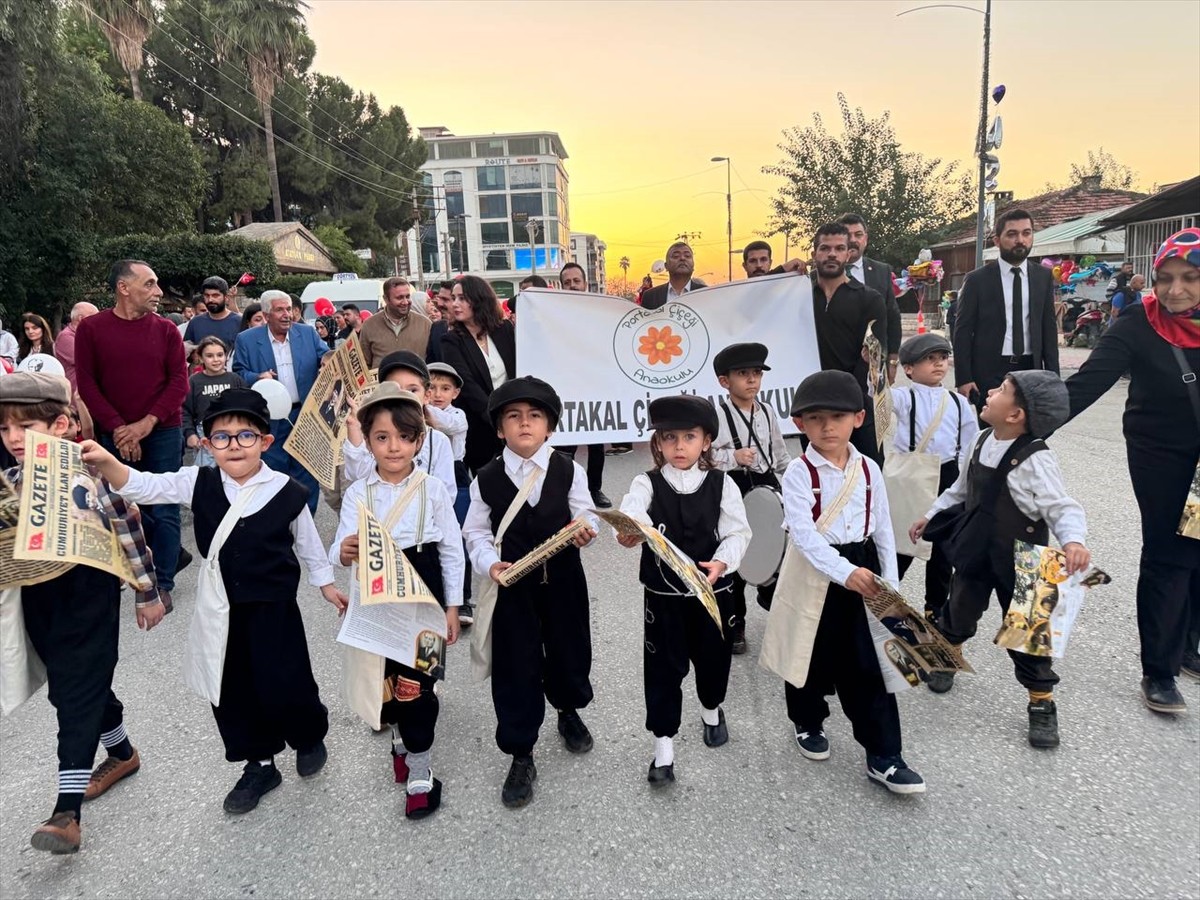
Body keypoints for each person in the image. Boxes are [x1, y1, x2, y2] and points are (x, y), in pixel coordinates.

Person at [83, 388, 346, 815]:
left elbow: (308, 544)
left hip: (274, 606)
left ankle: (308, 733)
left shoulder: (288, 490)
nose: (234, 445)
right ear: (207, 445)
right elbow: (145, 486)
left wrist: (326, 584)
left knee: (286, 679)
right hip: (220, 606)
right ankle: (258, 763)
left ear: (266, 441)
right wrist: (107, 461)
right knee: (231, 687)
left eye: (246, 436)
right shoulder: (197, 481)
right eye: (221, 437)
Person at [1, 372, 164, 854]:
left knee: (73, 697)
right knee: (74, 681)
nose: (13, 438)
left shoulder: (87, 471)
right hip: (37, 595)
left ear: (62, 425)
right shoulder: (9, 480)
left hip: (89, 592)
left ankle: (66, 811)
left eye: (25, 427)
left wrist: (147, 591)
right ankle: (121, 751)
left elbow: (128, 526)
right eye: (4, 428)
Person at [912, 371, 1089, 747]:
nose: (990, 391)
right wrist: (930, 514)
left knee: (1029, 637)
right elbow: (960, 490)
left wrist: (1073, 540)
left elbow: (1061, 505)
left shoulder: (1037, 459)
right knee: (957, 610)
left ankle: (1041, 702)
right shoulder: (979, 441)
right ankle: (948, 657)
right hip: (977, 549)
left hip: (1026, 562)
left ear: (1015, 415)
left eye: (1002, 391)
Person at [1064, 228, 1200, 713]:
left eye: (1189, 277)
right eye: (1165, 278)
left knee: (1198, 550)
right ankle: (1159, 671)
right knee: (1169, 552)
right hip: (1159, 451)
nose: (1174, 290)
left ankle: (1187, 644)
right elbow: (1085, 386)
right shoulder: (1137, 323)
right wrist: (1023, 423)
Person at [773, 370, 924, 794]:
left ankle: (884, 754)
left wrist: (889, 583)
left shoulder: (869, 468)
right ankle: (807, 719)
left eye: (837, 417)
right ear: (800, 424)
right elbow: (803, 535)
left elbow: (882, 528)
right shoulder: (800, 473)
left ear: (858, 418)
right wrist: (844, 572)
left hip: (864, 565)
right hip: (814, 569)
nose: (826, 427)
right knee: (809, 651)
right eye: (815, 418)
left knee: (869, 663)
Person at [461, 376, 599, 809]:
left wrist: (586, 532)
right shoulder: (485, 477)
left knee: (568, 650)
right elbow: (476, 533)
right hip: (512, 588)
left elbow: (585, 514)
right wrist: (489, 564)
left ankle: (566, 709)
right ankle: (521, 751)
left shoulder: (568, 469)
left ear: (550, 427)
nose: (524, 424)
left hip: (563, 582)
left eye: (535, 416)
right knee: (515, 666)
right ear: (500, 428)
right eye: (513, 417)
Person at [329, 384, 463, 819]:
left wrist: (453, 606)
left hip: (423, 592)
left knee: (419, 684)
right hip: (376, 594)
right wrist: (343, 550)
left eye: (404, 437)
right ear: (367, 440)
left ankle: (421, 766)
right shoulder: (357, 493)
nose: (394, 446)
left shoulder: (434, 489)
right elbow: (339, 546)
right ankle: (400, 740)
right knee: (383, 678)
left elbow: (451, 550)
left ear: (419, 440)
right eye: (382, 437)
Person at [616, 395, 751, 786]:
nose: (679, 446)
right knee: (662, 671)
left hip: (713, 593)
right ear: (657, 442)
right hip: (663, 597)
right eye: (669, 437)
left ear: (706, 441)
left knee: (713, 662)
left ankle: (711, 710)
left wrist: (723, 561)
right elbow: (631, 513)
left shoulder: (722, 484)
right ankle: (663, 749)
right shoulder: (647, 482)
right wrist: (628, 531)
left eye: (689, 437)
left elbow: (738, 531)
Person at [75, 259, 189, 610]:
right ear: (124, 288)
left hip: (163, 430)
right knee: (122, 504)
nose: (157, 292)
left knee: (165, 503)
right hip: (115, 432)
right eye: (150, 284)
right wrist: (120, 428)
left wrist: (144, 425)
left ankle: (162, 581)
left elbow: (178, 383)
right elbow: (87, 384)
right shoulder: (92, 329)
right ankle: (154, 556)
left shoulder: (167, 330)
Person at [888, 334, 977, 617]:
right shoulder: (903, 397)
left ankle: (935, 606)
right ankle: (885, 596)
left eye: (942, 358)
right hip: (913, 473)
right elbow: (879, 398)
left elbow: (969, 440)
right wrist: (876, 369)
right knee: (903, 539)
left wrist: (964, 478)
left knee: (943, 547)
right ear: (909, 368)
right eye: (929, 359)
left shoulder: (957, 401)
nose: (939, 364)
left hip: (947, 472)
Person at [710, 342, 791, 653]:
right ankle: (737, 621)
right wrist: (733, 456)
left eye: (756, 373)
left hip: (767, 484)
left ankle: (773, 598)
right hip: (735, 487)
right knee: (737, 556)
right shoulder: (717, 415)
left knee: (777, 550)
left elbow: (779, 453)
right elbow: (704, 456)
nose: (752, 380)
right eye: (743, 374)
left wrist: (794, 478)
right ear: (724, 381)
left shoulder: (768, 411)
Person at [952, 209, 1060, 413]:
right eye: (1012, 234)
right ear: (997, 240)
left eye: (1026, 233)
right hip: (990, 370)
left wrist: (1053, 375)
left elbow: (1048, 328)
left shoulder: (1043, 277)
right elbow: (963, 331)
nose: (1020, 240)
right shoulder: (977, 280)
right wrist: (964, 378)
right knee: (991, 432)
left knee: (1030, 431)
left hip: (1031, 368)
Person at [232, 290, 330, 513]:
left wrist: (329, 360)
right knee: (274, 473)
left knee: (306, 474)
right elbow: (238, 374)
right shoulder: (246, 340)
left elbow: (325, 356)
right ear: (266, 315)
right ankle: (280, 525)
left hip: (304, 415)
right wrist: (257, 377)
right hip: (270, 419)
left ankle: (306, 526)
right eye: (280, 310)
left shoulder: (307, 333)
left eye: (288, 309)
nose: (287, 315)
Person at [342, 351, 458, 521]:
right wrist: (354, 429)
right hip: (378, 527)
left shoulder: (438, 441)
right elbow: (357, 475)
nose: (403, 396)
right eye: (395, 388)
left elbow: (447, 497)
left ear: (427, 396)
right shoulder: (375, 435)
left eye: (412, 390)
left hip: (422, 529)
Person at [809, 222, 888, 464]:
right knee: (819, 474)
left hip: (857, 404)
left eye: (839, 248)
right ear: (814, 255)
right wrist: (781, 268)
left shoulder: (869, 299)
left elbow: (873, 358)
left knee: (865, 471)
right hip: (813, 402)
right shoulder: (799, 295)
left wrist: (846, 398)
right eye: (824, 248)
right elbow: (758, 298)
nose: (831, 254)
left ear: (848, 254)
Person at [440, 275, 516, 473]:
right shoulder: (451, 340)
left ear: (479, 299)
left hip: (512, 420)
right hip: (478, 427)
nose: (455, 304)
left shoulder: (504, 329)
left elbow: (516, 371)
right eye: (454, 298)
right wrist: (497, 418)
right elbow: (467, 384)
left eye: (462, 298)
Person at [556, 262, 613, 508]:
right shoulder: (552, 314)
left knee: (596, 443)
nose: (572, 286)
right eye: (567, 282)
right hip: (564, 386)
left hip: (593, 386)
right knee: (565, 443)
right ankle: (564, 489)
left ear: (585, 284)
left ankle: (594, 489)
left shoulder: (597, 312)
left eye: (576, 281)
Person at [839, 214, 903, 385]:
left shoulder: (881, 271)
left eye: (858, 235)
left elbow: (893, 317)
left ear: (866, 238)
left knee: (871, 409)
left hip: (872, 363)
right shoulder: (821, 275)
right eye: (847, 234)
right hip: (834, 361)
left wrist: (892, 360)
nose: (852, 240)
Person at [182, 336, 246, 467]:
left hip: (234, 433)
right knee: (207, 476)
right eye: (210, 356)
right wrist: (190, 434)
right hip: (204, 435)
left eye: (220, 355)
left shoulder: (235, 380)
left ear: (226, 356)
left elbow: (246, 407)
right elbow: (185, 411)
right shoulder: (194, 381)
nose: (216, 360)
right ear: (200, 358)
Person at [360, 277, 432, 368]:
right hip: (382, 382)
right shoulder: (369, 325)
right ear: (386, 299)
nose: (405, 302)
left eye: (408, 296)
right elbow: (364, 364)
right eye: (399, 298)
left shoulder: (425, 324)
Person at [184, 276, 242, 350]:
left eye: (215, 295)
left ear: (226, 297)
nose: (210, 299)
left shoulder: (239, 322)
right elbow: (186, 350)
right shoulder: (195, 322)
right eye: (207, 295)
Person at [53, 302, 99, 392]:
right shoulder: (66, 337)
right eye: (95, 317)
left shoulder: (89, 335)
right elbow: (88, 361)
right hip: (76, 395)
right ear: (81, 318)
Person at [640, 242, 699, 311]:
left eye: (687, 256)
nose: (682, 258)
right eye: (676, 256)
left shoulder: (706, 294)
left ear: (693, 265)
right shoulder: (650, 296)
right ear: (666, 266)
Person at [425, 281, 456, 363]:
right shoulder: (437, 328)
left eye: (445, 299)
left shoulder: (475, 331)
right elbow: (431, 363)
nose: (439, 304)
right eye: (439, 298)